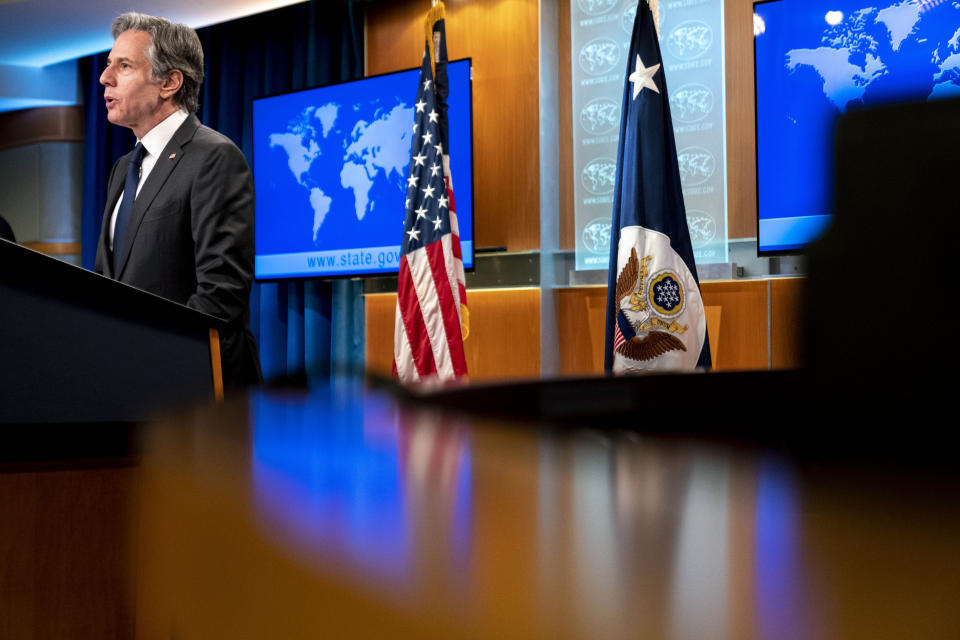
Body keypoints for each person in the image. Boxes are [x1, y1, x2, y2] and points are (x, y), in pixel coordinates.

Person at [93, 12, 262, 388]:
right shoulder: (123, 168)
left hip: (196, 387)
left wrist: (146, 358)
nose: (105, 78)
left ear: (169, 82)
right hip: (125, 383)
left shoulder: (214, 157)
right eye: (108, 65)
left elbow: (221, 295)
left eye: (123, 66)